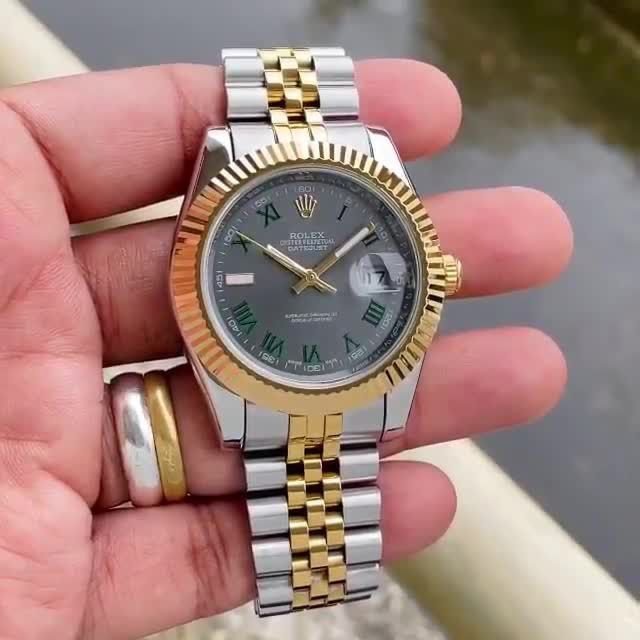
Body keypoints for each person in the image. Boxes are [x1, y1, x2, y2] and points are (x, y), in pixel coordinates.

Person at [0, 59, 572, 639]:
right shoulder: (257, 161)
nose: (311, 281)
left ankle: (318, 569)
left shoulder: (360, 166)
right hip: (280, 370)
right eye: (306, 276)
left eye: (315, 276)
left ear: (436, 274)